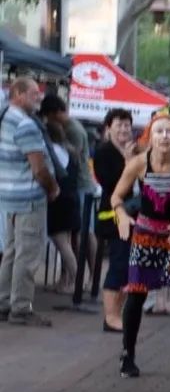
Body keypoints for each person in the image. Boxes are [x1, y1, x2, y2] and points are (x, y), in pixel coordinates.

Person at [111, 112, 170, 378]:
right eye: (159, 132)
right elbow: (116, 197)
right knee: (137, 293)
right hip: (145, 233)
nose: (165, 137)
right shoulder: (139, 164)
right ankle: (127, 354)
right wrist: (122, 217)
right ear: (149, 136)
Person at [0, 77, 58, 327]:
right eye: (34, 93)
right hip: (28, 197)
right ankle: (21, 307)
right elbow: (38, 167)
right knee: (27, 253)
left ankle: (4, 302)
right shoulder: (25, 125)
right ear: (19, 94)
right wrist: (52, 187)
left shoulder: (5, 117)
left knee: (12, 252)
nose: (40, 98)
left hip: (9, 196)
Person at [41, 93, 97, 278]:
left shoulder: (72, 130)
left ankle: (85, 278)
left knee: (83, 233)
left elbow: (70, 158)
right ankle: (78, 278)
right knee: (77, 234)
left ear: (55, 112)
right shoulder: (71, 127)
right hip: (78, 186)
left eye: (48, 115)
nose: (47, 119)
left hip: (80, 185)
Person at [94, 109, 137, 332]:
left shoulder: (131, 150)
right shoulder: (103, 152)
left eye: (127, 125)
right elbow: (111, 183)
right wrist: (129, 163)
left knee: (127, 267)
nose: (124, 129)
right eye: (119, 125)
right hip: (112, 218)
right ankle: (110, 317)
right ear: (108, 128)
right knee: (118, 265)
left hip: (130, 218)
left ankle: (117, 314)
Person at [44, 121, 82, 294]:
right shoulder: (69, 150)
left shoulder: (52, 151)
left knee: (62, 243)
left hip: (58, 201)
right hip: (71, 198)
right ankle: (65, 281)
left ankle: (75, 280)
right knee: (65, 241)